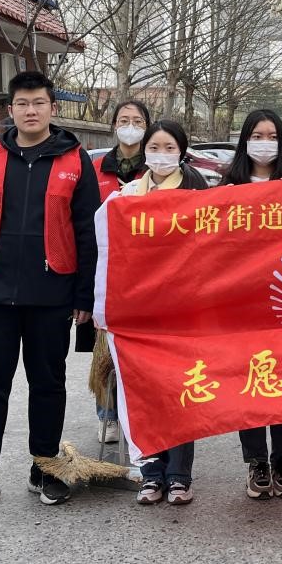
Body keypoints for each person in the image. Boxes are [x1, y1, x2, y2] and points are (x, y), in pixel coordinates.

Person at [0, 71, 100, 522]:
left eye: (39, 102)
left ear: (53, 108)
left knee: (47, 385)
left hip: (52, 293)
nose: (31, 111)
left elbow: (88, 231)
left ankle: (45, 467)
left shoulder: (74, 159)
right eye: (23, 103)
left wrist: (85, 294)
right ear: (10, 110)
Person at [115, 120, 210, 506]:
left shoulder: (196, 190)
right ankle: (151, 473)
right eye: (155, 147)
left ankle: (179, 475)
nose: (161, 154)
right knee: (147, 392)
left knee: (181, 390)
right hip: (141, 311)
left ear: (182, 151)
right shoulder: (128, 195)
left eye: (170, 147)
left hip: (182, 309)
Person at [225, 108, 282, 500]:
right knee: (251, 381)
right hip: (243, 304)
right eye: (257, 136)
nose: (265, 143)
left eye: (272, 136)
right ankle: (256, 461)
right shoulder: (228, 186)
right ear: (245, 140)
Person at [87, 99, 152, 443]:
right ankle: (108, 415)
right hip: (105, 270)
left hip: (146, 274)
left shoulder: (156, 168)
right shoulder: (96, 168)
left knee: (142, 351)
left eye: (138, 121)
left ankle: (142, 415)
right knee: (105, 348)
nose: (130, 126)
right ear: (114, 125)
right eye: (124, 120)